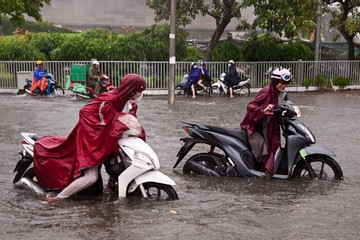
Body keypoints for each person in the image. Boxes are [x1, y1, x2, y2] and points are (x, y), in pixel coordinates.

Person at [33, 74, 146, 204]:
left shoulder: (126, 102)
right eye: (139, 91)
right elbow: (85, 112)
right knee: (91, 177)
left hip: (104, 139)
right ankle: (56, 199)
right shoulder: (111, 99)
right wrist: (109, 123)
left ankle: (113, 183)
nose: (140, 94)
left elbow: (127, 120)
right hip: (91, 139)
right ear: (132, 90)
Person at [240, 67, 292, 179]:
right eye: (282, 83)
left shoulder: (275, 92)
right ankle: (264, 176)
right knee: (267, 150)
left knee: (274, 146)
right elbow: (251, 106)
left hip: (268, 125)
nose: (284, 86)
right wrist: (262, 111)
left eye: (286, 84)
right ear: (275, 81)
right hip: (254, 128)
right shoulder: (267, 92)